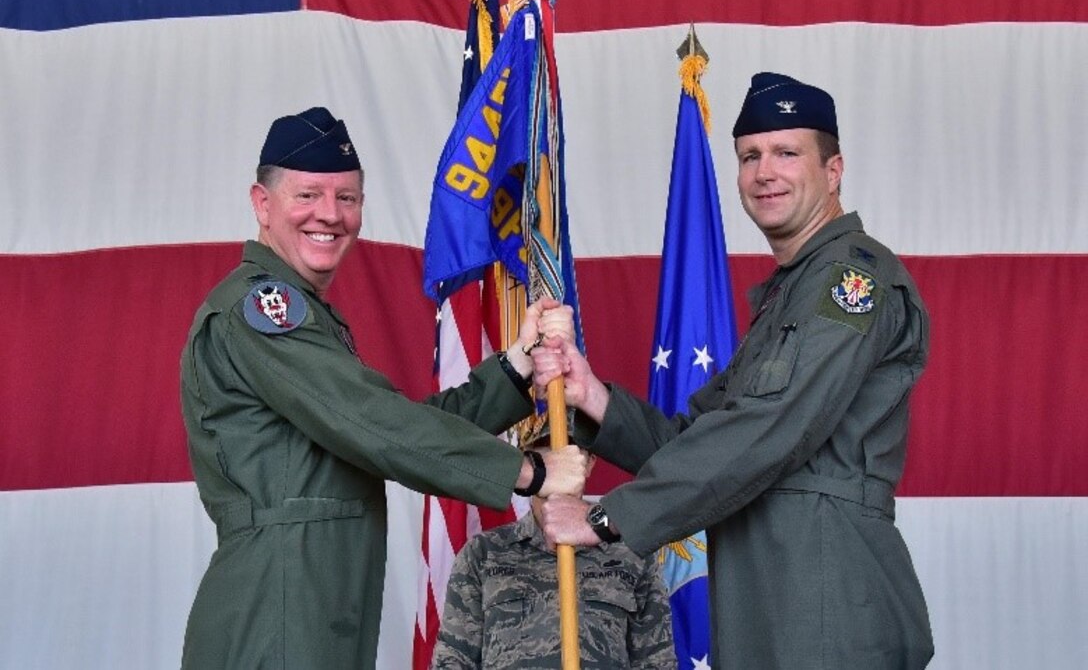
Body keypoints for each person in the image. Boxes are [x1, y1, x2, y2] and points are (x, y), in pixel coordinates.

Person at [533, 73, 935, 668]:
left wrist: (608, 518)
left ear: (834, 169)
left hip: (825, 599)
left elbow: (769, 427)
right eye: (750, 156)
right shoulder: (790, 295)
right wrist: (594, 397)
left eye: (786, 152)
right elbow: (698, 442)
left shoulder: (851, 280)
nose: (764, 172)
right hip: (772, 596)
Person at [179, 107, 585, 669]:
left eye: (347, 198)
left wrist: (515, 365)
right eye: (308, 195)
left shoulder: (306, 316)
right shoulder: (260, 311)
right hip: (275, 616)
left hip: (312, 608)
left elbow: (391, 424)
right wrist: (531, 473)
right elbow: (378, 427)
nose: (330, 214)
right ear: (261, 203)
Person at [430, 412, 674, 670]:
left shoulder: (631, 553)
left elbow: (657, 662)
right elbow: (453, 660)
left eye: (569, 454)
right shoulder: (483, 554)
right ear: (527, 463)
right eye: (545, 454)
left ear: (590, 463)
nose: (558, 466)